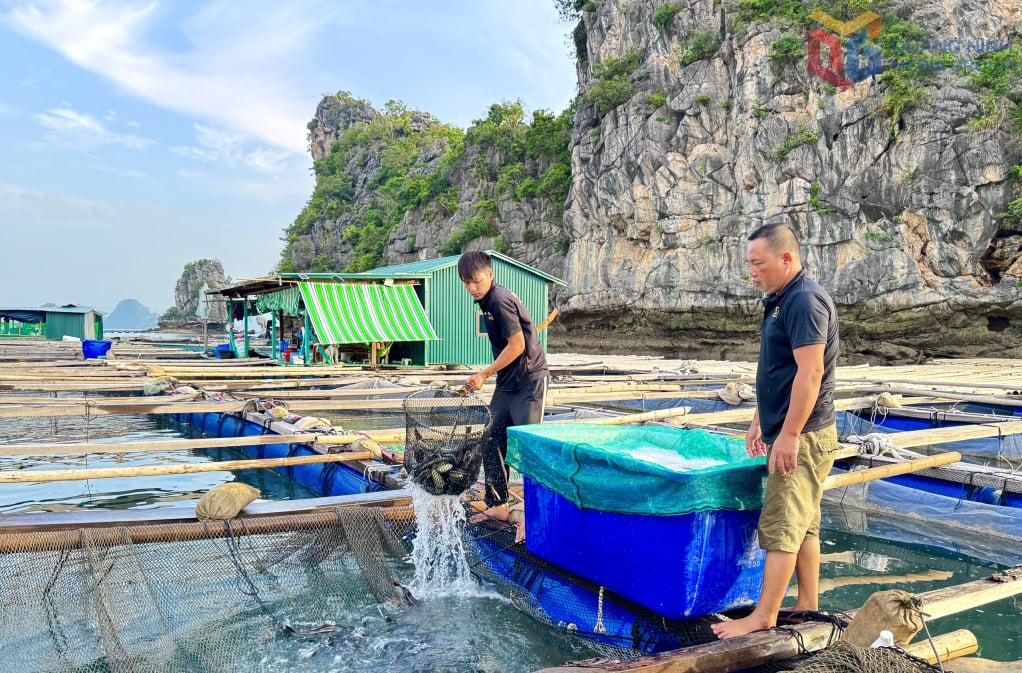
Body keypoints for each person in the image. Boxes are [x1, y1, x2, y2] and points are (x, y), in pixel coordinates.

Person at [712, 223, 839, 639]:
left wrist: (787, 435)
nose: (751, 271)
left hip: (802, 435)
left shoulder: (804, 300)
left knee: (784, 522)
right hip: (791, 429)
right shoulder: (781, 299)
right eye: (749, 264)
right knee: (805, 523)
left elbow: (811, 371)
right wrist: (759, 421)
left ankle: (764, 615)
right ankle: (806, 605)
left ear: (786, 259)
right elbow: (778, 372)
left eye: (758, 263)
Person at [459, 251, 549, 543]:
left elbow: (517, 346)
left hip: (529, 383)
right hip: (507, 384)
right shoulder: (486, 303)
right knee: (491, 438)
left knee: (528, 448)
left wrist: (483, 374)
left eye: (476, 280)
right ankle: (497, 505)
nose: (472, 287)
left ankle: (536, 518)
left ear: (490, 275)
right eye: (466, 282)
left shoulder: (498, 300)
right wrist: (489, 376)